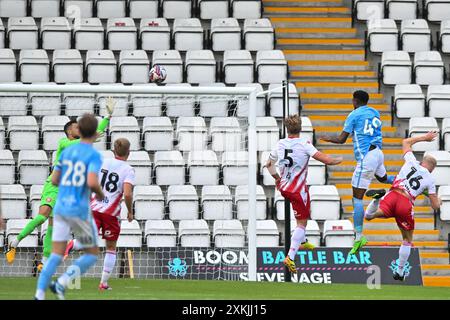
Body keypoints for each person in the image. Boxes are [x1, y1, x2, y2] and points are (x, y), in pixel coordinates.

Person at [6, 98, 115, 268]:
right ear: (69, 131)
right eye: (76, 127)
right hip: (54, 185)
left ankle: (44, 261)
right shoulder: (64, 143)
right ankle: (14, 242)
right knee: (43, 216)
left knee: (52, 224)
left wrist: (108, 116)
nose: (79, 129)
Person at [34, 114, 105, 300]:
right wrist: (100, 193)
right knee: (92, 253)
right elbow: (91, 181)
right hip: (78, 209)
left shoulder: (66, 153)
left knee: (56, 254)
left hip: (61, 208)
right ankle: (62, 283)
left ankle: (39, 294)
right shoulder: (93, 155)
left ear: (79, 130)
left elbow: (55, 180)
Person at [264, 115, 343, 274]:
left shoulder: (280, 144)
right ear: (300, 128)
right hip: (298, 190)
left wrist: (277, 179)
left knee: (303, 216)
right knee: (302, 223)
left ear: (287, 129)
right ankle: (290, 257)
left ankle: (304, 240)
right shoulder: (305, 144)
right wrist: (338, 160)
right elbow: (325, 160)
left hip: (285, 188)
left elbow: (268, 164)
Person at [320, 90, 395, 255]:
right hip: (378, 153)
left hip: (366, 157)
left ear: (355, 100)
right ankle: (406, 180)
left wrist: (327, 138)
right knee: (383, 179)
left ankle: (359, 236)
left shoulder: (353, 115)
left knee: (357, 198)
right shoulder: (374, 112)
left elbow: (341, 139)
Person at [364, 131, 441, 281]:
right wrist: (440, 201)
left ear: (422, 161)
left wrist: (424, 138)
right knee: (407, 239)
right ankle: (399, 272)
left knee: (369, 217)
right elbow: (435, 206)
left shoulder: (412, 161)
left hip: (392, 194)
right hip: (405, 203)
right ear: (432, 169)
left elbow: (405, 142)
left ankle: (376, 200)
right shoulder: (430, 179)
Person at [64, 138, 135, 291]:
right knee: (110, 247)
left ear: (114, 151)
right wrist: (130, 211)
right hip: (111, 213)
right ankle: (103, 283)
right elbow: (128, 194)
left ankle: (72, 244)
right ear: (128, 153)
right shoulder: (128, 169)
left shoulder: (102, 162)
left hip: (94, 208)